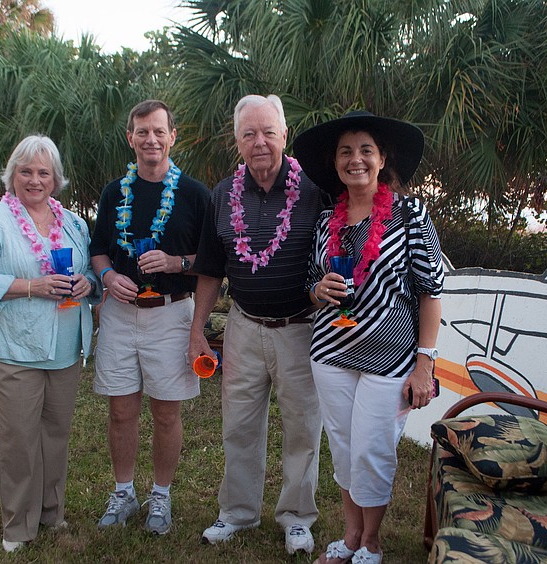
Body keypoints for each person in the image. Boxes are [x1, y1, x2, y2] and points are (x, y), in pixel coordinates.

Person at [292, 110, 444, 564]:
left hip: (391, 357)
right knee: (343, 447)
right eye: (345, 152)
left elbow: (431, 292)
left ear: (382, 160)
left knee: (373, 450)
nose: (355, 159)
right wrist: (317, 290)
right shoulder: (326, 222)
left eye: (365, 151)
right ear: (335, 164)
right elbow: (309, 282)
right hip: (331, 353)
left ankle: (371, 543)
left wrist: (425, 363)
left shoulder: (408, 213)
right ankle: (351, 536)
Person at [189, 94, 330, 555]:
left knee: (303, 428)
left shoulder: (316, 189)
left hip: (301, 328)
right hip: (243, 327)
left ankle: (296, 517)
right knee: (239, 425)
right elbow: (211, 269)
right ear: (237, 141)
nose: (260, 142)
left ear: (284, 135)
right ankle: (237, 512)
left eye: (268, 131)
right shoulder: (220, 196)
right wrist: (197, 331)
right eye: (249, 134)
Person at [0, 134, 96, 553]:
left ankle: (52, 512)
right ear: (12, 175)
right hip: (11, 347)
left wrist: (88, 281)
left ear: (55, 179)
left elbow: (87, 267)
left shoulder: (73, 223)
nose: (35, 180)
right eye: (26, 171)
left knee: (56, 433)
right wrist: (30, 286)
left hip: (64, 346)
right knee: (18, 438)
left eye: (43, 173)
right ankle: (18, 524)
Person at [90, 100, 209, 535]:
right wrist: (106, 275)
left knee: (165, 413)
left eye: (159, 131)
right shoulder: (112, 193)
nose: (151, 139)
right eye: (142, 132)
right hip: (121, 314)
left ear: (172, 136)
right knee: (121, 411)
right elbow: (99, 246)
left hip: (172, 314)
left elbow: (213, 261)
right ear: (130, 138)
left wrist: (177, 262)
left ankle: (161, 496)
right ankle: (124, 492)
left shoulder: (195, 194)